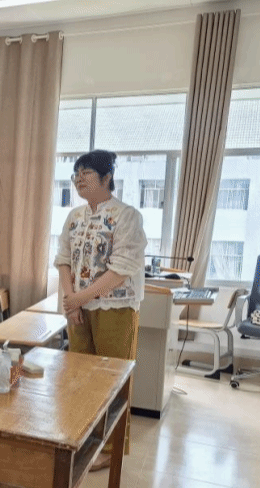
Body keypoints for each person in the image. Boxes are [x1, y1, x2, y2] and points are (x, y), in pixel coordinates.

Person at [53, 150, 147, 471]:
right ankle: (83, 437)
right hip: (78, 308)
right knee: (80, 377)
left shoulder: (126, 216)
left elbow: (121, 269)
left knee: (112, 378)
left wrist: (79, 298)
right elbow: (63, 260)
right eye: (76, 174)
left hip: (115, 307)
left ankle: (110, 447)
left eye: (87, 173)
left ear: (107, 178)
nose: (79, 179)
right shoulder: (74, 217)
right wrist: (71, 300)